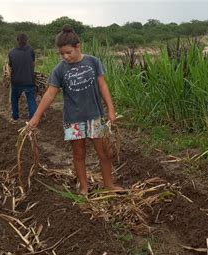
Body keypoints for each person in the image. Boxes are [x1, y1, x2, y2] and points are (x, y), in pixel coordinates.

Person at [26, 25, 123, 195]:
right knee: (79, 154)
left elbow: (102, 85)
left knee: (104, 153)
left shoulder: (93, 62)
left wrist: (111, 109)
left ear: (78, 46)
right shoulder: (59, 70)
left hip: (95, 117)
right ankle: (84, 188)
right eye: (62, 54)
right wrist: (36, 117)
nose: (65, 56)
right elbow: (49, 94)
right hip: (73, 120)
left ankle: (109, 185)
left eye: (68, 52)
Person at [8, 33, 37, 123]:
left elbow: (10, 66)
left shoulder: (11, 52)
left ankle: (15, 117)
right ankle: (32, 119)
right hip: (29, 80)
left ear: (17, 41)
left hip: (16, 81)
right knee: (31, 100)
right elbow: (33, 64)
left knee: (14, 99)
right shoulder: (31, 50)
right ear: (27, 40)